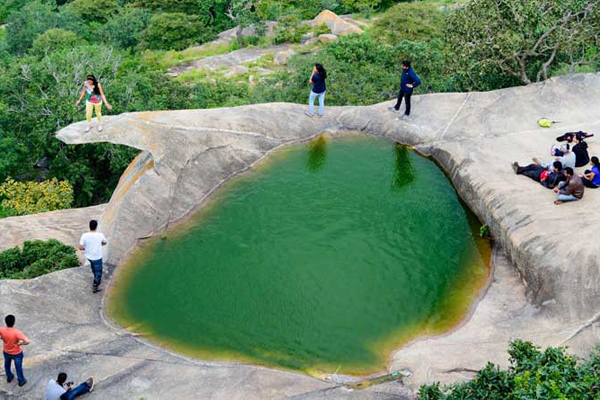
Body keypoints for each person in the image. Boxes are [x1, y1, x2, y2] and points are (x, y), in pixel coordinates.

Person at [77, 220, 107, 293]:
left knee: (93, 267)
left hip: (89, 256)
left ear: (89, 226)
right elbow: (105, 242)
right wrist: (100, 244)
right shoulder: (100, 235)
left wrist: (85, 248)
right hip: (97, 257)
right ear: (96, 226)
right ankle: (95, 285)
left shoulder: (84, 235)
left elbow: (80, 247)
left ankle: (95, 275)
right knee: (98, 271)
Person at [0, 315, 30, 387]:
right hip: (16, 353)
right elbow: (27, 341)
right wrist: (20, 343)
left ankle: (9, 377)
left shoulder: (2, 330)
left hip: (6, 351)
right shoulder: (16, 332)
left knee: (7, 365)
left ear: (6, 322)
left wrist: (2, 337)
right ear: (14, 322)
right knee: (18, 367)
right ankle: (21, 380)